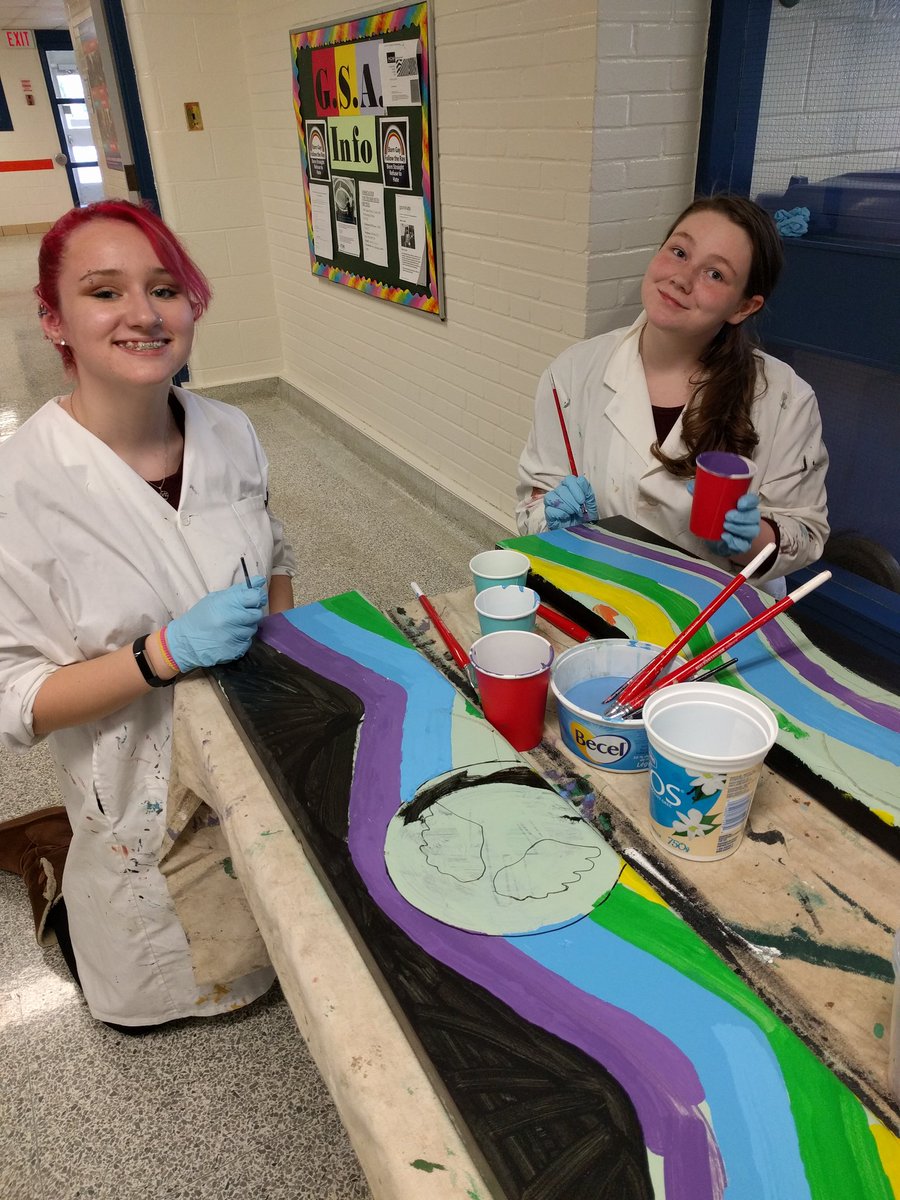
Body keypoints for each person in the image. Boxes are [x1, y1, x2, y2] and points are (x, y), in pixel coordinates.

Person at [0, 200, 296, 1029]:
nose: (142, 313)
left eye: (164, 288)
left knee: (262, 930)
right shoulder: (20, 488)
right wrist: (158, 655)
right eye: (104, 292)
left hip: (244, 751)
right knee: (157, 973)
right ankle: (46, 859)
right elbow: (15, 699)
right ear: (54, 320)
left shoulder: (230, 430)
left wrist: (278, 656)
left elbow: (272, 559)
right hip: (132, 783)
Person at [516, 195, 829, 594]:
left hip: (717, 618)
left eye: (715, 274)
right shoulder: (572, 374)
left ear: (744, 306)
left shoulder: (786, 399)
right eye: (679, 252)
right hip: (601, 594)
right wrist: (553, 520)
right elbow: (531, 505)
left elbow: (806, 530)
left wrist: (753, 539)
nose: (682, 278)